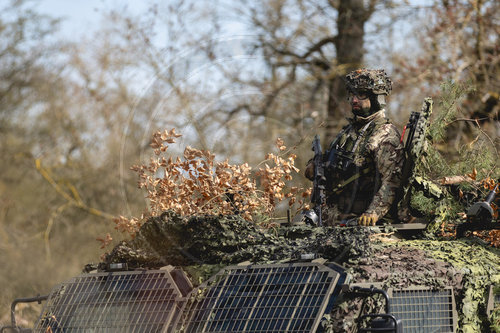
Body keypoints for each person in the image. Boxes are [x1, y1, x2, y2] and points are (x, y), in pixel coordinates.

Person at [305, 68, 404, 226]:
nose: (354, 100)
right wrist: (315, 166)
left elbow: (392, 181)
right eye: (352, 94)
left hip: (359, 222)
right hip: (331, 219)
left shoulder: (385, 135)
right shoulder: (350, 131)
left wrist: (373, 212)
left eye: (361, 94)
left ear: (376, 98)